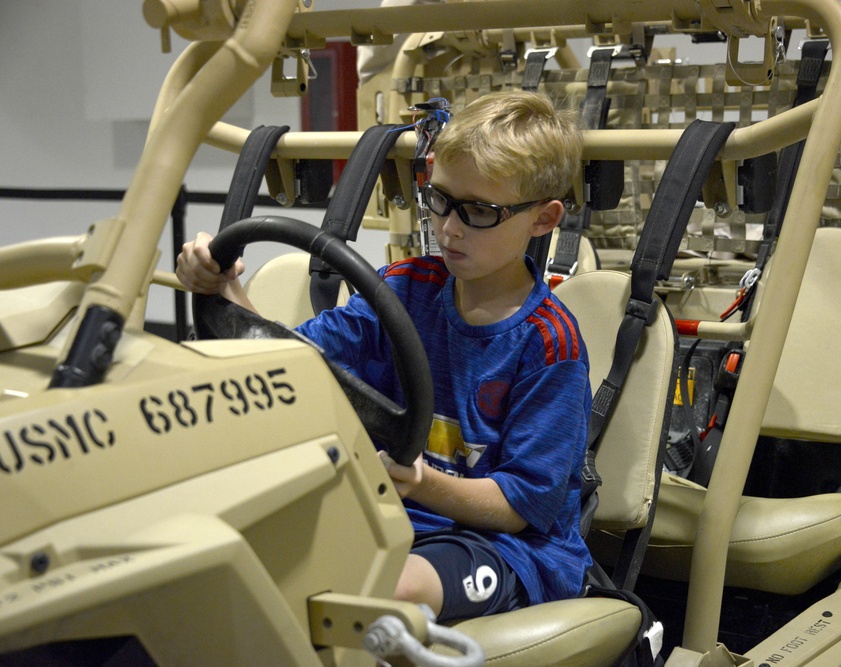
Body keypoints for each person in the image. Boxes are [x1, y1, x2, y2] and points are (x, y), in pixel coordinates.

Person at [175, 90, 592, 622]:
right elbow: (288, 363)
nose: (450, 227)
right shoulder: (404, 289)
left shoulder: (548, 343)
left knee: (384, 590)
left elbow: (519, 507)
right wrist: (219, 284)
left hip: (504, 548)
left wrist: (420, 483)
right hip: (384, 512)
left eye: (479, 211)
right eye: (440, 199)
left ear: (543, 218)